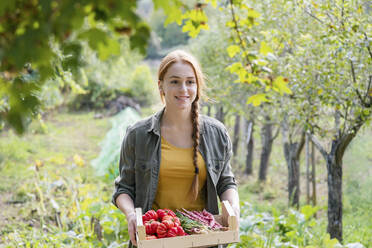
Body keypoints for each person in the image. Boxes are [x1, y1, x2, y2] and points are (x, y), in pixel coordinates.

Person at [112, 50, 240, 247]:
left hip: (203, 238)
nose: (183, 89)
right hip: (156, 238)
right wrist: (131, 214)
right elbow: (124, 188)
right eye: (174, 81)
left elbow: (226, 182)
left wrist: (233, 208)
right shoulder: (138, 135)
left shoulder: (216, 133)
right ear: (161, 85)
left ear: (198, 86)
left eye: (190, 82)